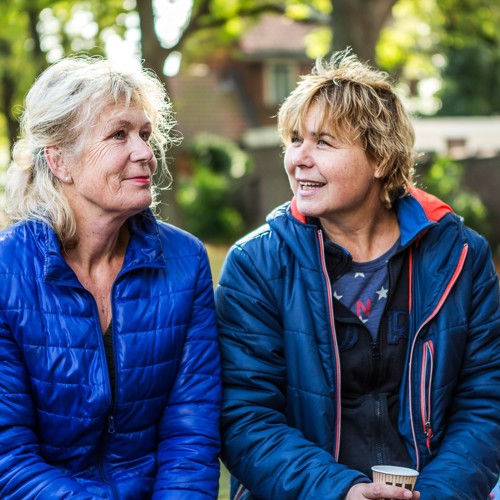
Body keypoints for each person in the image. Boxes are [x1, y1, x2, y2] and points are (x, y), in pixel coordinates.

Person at [215, 50, 500, 499]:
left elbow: (485, 405)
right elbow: (246, 417)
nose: (299, 159)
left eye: (323, 143)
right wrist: (340, 491)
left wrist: (439, 494)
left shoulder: (462, 257)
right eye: (294, 140)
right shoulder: (257, 264)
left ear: (381, 160)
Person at [0, 55, 221, 499]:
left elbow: (190, 433)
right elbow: (9, 456)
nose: (144, 152)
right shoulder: (7, 273)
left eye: (144, 134)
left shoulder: (185, 261)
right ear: (59, 160)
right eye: (119, 135)